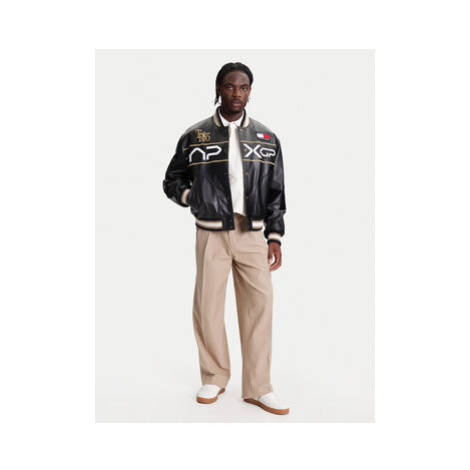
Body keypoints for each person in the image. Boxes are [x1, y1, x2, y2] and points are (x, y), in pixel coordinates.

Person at [162, 62, 289, 415]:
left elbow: (276, 191)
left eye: (244, 87)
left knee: (260, 306)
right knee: (208, 306)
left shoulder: (266, 138)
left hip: (252, 233)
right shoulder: (195, 135)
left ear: (250, 91)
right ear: (219, 88)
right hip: (211, 232)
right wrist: (192, 198)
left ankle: (258, 387)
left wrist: (275, 236)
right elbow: (172, 180)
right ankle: (215, 376)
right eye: (230, 86)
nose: (237, 93)